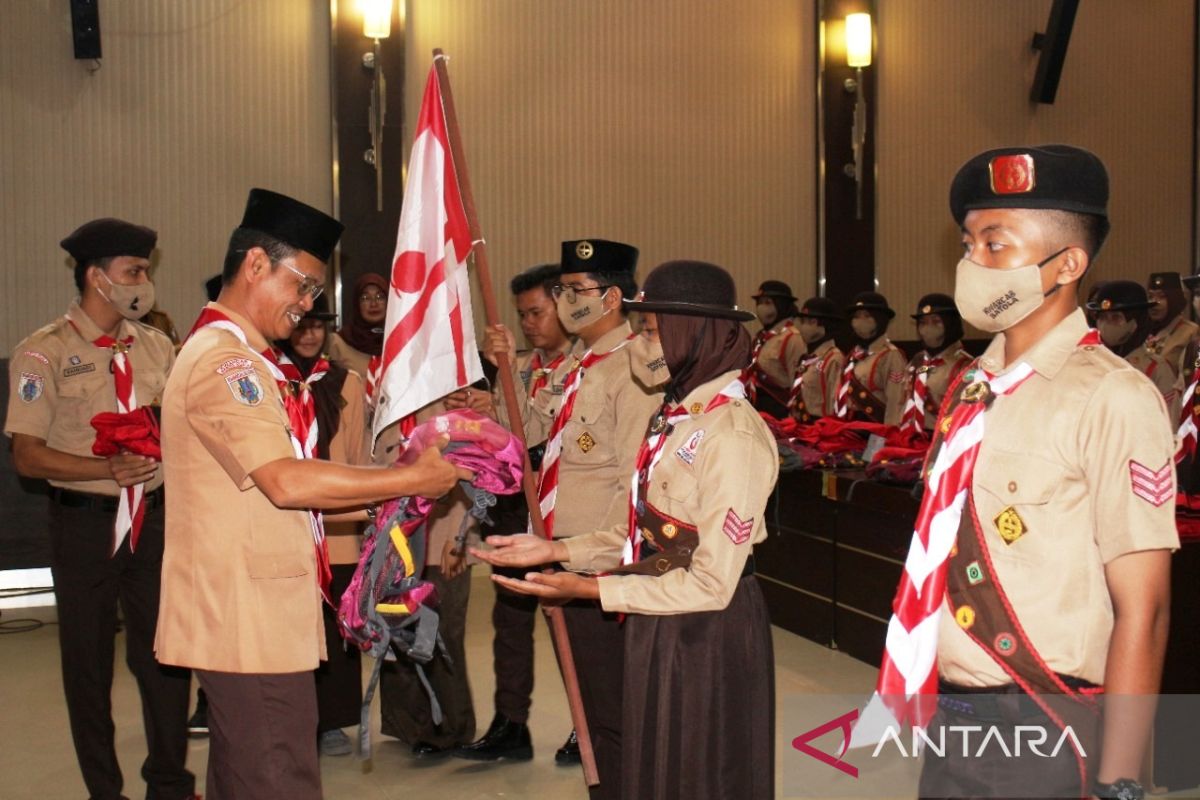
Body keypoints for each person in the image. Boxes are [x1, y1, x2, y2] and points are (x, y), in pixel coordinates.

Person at [880, 145, 1178, 800]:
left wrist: (1118, 779)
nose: (971, 265)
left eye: (995, 245)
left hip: (1042, 719)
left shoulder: (1112, 397)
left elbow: (1146, 608)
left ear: (1067, 263)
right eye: (967, 245)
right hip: (951, 714)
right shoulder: (970, 388)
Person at [154, 188, 469, 800]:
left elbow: (288, 488)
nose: (306, 306)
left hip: (251, 615)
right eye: (302, 286)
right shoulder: (228, 365)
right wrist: (408, 479)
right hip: (248, 622)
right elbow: (286, 480)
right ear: (253, 266)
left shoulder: (244, 357)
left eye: (314, 295)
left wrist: (387, 498)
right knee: (278, 780)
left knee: (246, 777)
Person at [473, 260, 777, 800]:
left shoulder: (731, 435)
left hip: (706, 632)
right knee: (654, 762)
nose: (638, 345)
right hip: (659, 615)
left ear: (693, 331)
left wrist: (590, 587)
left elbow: (711, 581)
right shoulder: (679, 418)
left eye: (650, 332)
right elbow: (643, 531)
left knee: (700, 771)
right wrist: (558, 547)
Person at [5, 218, 196, 800]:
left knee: (165, 657)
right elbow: (28, 458)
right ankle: (103, 791)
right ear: (96, 277)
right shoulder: (44, 354)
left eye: (144, 271)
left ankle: (169, 782)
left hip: (154, 522)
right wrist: (104, 469)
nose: (144, 282)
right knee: (87, 666)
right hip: (85, 526)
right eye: (133, 271)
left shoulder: (159, 346)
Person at [474, 239, 663, 797]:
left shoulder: (634, 367)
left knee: (611, 706)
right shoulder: (582, 364)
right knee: (593, 708)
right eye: (560, 290)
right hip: (565, 553)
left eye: (572, 291)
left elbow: (635, 480)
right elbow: (539, 438)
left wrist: (590, 566)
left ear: (611, 297)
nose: (560, 302)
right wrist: (504, 372)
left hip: (598, 561)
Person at [455, 263, 579, 763]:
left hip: (562, 507)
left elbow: (540, 431)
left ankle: (588, 725)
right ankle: (511, 724)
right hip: (512, 506)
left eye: (537, 312)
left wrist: (499, 403)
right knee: (509, 619)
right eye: (522, 314)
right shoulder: (523, 366)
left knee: (570, 621)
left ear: (564, 307)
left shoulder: (584, 368)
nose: (528, 323)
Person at [378, 376, 495, 758]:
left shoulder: (454, 400)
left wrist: (462, 538)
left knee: (442, 637)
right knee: (399, 632)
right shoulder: (388, 397)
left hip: (442, 541)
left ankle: (450, 729)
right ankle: (411, 726)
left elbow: (477, 474)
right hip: (394, 539)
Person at [273, 294, 368, 758]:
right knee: (289, 624)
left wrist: (361, 505)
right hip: (287, 520)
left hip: (338, 527)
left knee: (336, 627)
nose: (310, 334)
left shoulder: (346, 381)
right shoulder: (271, 379)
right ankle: (294, 718)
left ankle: (332, 720)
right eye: (302, 325)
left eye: (318, 326)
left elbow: (356, 454)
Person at [1087, 280, 1181, 419]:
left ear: (1137, 320)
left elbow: (1168, 424)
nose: (1106, 324)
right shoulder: (1089, 361)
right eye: (1102, 317)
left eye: (1116, 317)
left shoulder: (1155, 369)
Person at [898, 293, 973, 433]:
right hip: (908, 438)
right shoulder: (917, 360)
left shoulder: (966, 366)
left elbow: (966, 417)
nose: (928, 328)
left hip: (940, 441)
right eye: (923, 323)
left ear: (950, 323)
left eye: (936, 321)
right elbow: (902, 402)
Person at [835, 291, 908, 424]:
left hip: (874, 428)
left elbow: (895, 401)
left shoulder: (890, 355)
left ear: (880, 319)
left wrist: (889, 434)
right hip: (848, 426)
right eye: (856, 316)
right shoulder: (853, 355)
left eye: (867, 316)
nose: (860, 321)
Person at [746, 280, 806, 417]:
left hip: (781, 414)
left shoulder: (793, 338)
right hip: (758, 412)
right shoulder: (760, 338)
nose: (761, 307)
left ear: (781, 305)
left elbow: (797, 385)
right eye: (759, 303)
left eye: (767, 303)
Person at [787, 296, 845, 422]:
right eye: (802, 321)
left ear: (825, 325)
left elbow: (834, 403)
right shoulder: (806, 358)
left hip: (817, 428)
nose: (803, 327)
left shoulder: (834, 359)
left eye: (811, 322)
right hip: (797, 426)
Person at [327, 272, 388, 379]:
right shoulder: (337, 343)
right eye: (365, 298)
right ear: (357, 304)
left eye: (380, 297)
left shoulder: (399, 342)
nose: (374, 304)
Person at [1144, 271, 1197, 379]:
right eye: (1150, 297)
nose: (1154, 303)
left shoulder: (1191, 332)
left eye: (1161, 297)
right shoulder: (1140, 331)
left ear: (1175, 300)